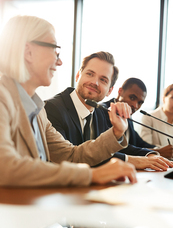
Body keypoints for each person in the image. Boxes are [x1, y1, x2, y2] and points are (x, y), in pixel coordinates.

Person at [0, 15, 137, 187]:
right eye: (55, 51)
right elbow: (6, 169)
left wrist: (116, 133)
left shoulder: (38, 110)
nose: (59, 62)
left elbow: (71, 156)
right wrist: (91, 174)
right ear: (28, 52)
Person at [45, 52, 173, 170]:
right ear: (78, 75)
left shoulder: (99, 112)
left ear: (110, 91)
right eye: (90, 74)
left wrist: (150, 155)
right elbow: (75, 158)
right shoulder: (52, 108)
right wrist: (132, 160)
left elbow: (107, 147)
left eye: (103, 80)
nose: (94, 82)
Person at [104, 77, 173, 159]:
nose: (135, 106)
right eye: (132, 98)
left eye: (140, 102)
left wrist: (159, 150)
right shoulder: (103, 110)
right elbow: (117, 148)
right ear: (120, 91)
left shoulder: (128, 117)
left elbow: (139, 143)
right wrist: (157, 152)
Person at [140, 84, 173, 158]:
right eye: (172, 98)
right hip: (157, 162)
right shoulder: (149, 117)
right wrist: (161, 151)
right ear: (164, 99)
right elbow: (145, 146)